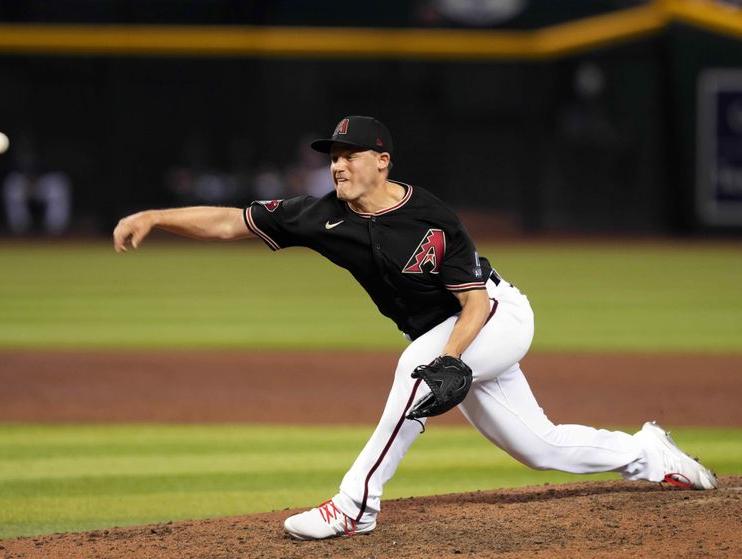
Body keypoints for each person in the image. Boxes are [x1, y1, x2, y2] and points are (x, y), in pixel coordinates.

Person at [113, 115, 718, 541]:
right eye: (333, 155)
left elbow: (474, 303)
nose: (339, 164)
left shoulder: (429, 215)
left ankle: (354, 506)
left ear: (383, 161)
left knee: (416, 371)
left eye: (351, 154)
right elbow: (228, 223)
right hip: (457, 331)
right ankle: (646, 452)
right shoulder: (318, 214)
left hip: (496, 316)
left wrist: (452, 359)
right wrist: (156, 215)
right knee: (539, 446)